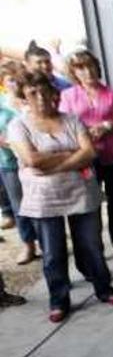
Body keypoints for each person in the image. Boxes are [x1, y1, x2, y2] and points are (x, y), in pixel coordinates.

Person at [7, 71, 113, 323]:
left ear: (54, 93)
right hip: (43, 198)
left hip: (80, 192)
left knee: (92, 246)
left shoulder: (71, 119)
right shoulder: (18, 125)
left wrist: (54, 164)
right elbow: (32, 160)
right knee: (53, 252)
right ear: (24, 97)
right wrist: (71, 154)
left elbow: (90, 153)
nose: (41, 97)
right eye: (33, 93)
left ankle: (104, 290)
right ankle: (59, 300)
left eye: (45, 91)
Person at [59, 50, 113, 255]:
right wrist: (84, 132)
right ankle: (95, 245)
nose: (87, 71)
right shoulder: (67, 96)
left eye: (90, 66)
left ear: (97, 67)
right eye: (81, 68)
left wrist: (108, 125)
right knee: (90, 200)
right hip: (86, 157)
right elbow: (64, 126)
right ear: (74, 72)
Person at [0, 60, 39, 264]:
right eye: (10, 80)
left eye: (17, 80)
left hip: (36, 162)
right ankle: (28, 244)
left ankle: (46, 242)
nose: (14, 84)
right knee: (20, 206)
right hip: (10, 162)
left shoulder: (31, 101)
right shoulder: (1, 105)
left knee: (40, 203)